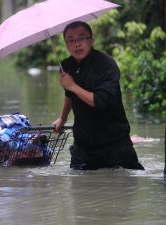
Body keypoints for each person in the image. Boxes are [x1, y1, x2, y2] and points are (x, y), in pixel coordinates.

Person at [52, 21, 144, 170]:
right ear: (66, 44)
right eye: (71, 40)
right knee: (80, 189)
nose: (77, 44)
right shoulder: (66, 67)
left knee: (127, 187)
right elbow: (69, 94)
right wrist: (62, 118)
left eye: (81, 38)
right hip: (84, 144)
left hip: (115, 142)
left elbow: (101, 101)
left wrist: (73, 86)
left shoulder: (107, 65)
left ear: (91, 41)